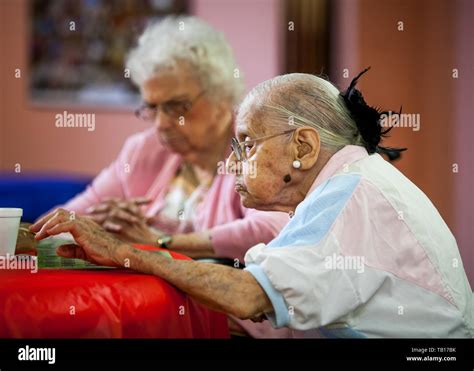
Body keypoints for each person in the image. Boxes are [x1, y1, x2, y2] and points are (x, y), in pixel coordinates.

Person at [31, 71, 473, 338]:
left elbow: (250, 295)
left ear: (304, 144)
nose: (232, 163)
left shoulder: (350, 193)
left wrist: (128, 253)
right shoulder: (348, 181)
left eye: (246, 144)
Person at [48, 16, 290, 338]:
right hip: (143, 318)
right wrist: (96, 224)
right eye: (152, 107)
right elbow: (64, 219)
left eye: (176, 106)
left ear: (222, 99)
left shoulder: (254, 148)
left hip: (232, 328)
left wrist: (156, 244)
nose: (161, 123)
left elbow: (270, 228)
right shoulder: (144, 150)